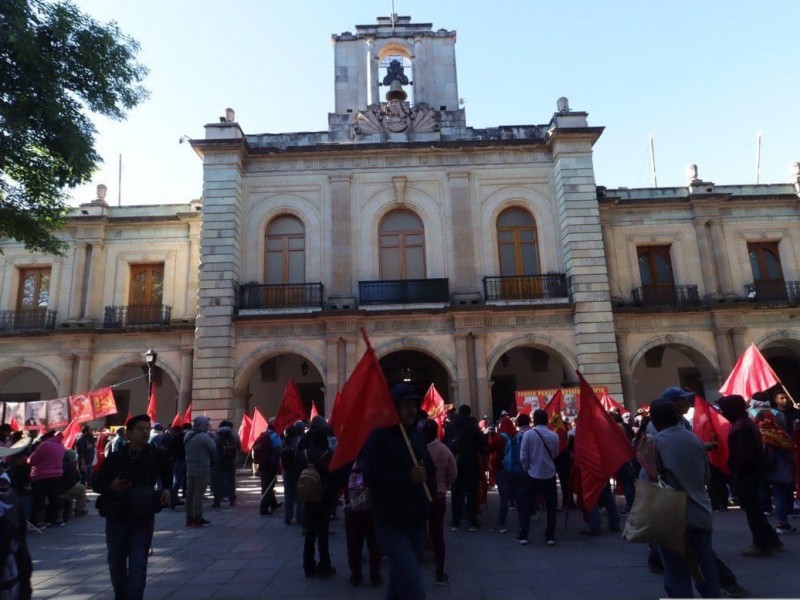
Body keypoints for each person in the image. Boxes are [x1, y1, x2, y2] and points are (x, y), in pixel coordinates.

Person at [362, 383, 435, 600]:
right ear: (393, 408)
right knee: (414, 587)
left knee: (398, 580)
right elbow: (371, 476)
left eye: (413, 404)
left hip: (416, 520)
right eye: (405, 405)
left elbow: (428, 467)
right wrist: (407, 477)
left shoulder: (417, 435)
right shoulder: (378, 437)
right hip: (391, 522)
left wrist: (429, 497)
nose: (411, 410)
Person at [645, 399, 720, 598]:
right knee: (706, 569)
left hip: (671, 517)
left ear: (653, 419)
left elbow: (646, 483)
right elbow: (706, 476)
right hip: (700, 512)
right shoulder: (694, 439)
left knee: (676, 574)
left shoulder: (654, 444)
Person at [93, 415, 171, 600]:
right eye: (140, 429)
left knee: (138, 563)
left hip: (142, 516)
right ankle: (120, 595)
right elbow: (97, 483)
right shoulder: (116, 456)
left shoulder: (155, 454)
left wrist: (166, 488)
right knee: (116, 562)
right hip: (116, 516)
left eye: (147, 428)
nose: (145, 432)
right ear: (128, 433)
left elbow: (166, 473)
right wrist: (112, 487)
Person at [718, 394, 783, 556]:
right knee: (754, 509)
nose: (722, 412)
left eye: (725, 409)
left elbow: (744, 455)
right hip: (752, 473)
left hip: (747, 474)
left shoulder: (741, 427)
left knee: (752, 510)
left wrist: (736, 472)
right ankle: (772, 539)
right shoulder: (744, 423)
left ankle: (761, 544)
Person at [297, 416, 335, 578]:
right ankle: (324, 564)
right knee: (323, 532)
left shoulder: (304, 453)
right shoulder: (328, 453)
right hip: (324, 497)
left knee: (310, 532)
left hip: (308, 496)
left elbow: (297, 470)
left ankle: (308, 564)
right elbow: (334, 475)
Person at [517, 409, 559, 546]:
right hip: (549, 474)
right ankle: (550, 536)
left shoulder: (528, 435)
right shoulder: (554, 435)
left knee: (527, 505)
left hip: (532, 474)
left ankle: (524, 535)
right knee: (550, 507)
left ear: (533, 420)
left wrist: (526, 469)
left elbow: (523, 457)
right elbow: (555, 453)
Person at [423, 417, 456, 585]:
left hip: (420, 496)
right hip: (439, 495)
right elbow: (453, 473)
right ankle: (440, 571)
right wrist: (444, 485)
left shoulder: (417, 450)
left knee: (416, 529)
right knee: (438, 534)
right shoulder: (443, 450)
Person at [753, 410, 797, 534]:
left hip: (766, 470)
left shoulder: (758, 433)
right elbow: (789, 451)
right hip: (781, 469)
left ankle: (783, 522)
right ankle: (782, 523)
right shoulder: (780, 433)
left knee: (778, 495)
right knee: (780, 495)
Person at [444, 404, 485, 531]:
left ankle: (455, 522)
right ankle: (472, 522)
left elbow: (446, 442)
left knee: (456, 492)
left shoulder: (451, 425)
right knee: (472, 493)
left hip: (456, 462)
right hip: (471, 462)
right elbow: (480, 446)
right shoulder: (473, 425)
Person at [343, 456, 382, 587]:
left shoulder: (347, 460)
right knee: (374, 542)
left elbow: (340, 479)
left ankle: (356, 574)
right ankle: (375, 575)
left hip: (352, 507)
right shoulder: (376, 459)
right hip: (373, 508)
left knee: (354, 543)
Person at [183, 415, 216, 527]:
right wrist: (211, 438)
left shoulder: (188, 435)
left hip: (190, 467)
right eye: (206, 423)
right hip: (202, 468)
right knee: (198, 494)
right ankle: (197, 517)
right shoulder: (204, 437)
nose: (207, 425)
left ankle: (189, 517)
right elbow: (213, 450)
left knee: (190, 494)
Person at [28, 430, 65, 528]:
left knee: (40, 499)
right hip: (56, 474)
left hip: (40, 475)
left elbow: (32, 460)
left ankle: (41, 522)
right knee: (55, 497)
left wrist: (27, 459)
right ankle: (59, 520)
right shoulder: (61, 445)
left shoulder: (45, 445)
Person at [253, 424, 282, 516]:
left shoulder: (263, 435)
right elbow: (279, 451)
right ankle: (263, 508)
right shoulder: (275, 436)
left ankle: (273, 504)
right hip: (271, 465)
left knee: (266, 484)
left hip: (263, 464)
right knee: (268, 487)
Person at [280, 421, 304, 525]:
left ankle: (288, 518)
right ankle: (299, 517)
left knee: (288, 496)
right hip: (298, 471)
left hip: (287, 471)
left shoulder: (284, 442)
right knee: (300, 496)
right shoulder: (299, 442)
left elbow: (279, 454)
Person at [212, 420, 239, 507]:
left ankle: (217, 500)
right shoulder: (234, 435)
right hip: (231, 460)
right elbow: (239, 447)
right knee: (231, 480)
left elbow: (213, 448)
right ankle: (232, 500)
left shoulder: (216, 435)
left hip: (218, 461)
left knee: (217, 481)